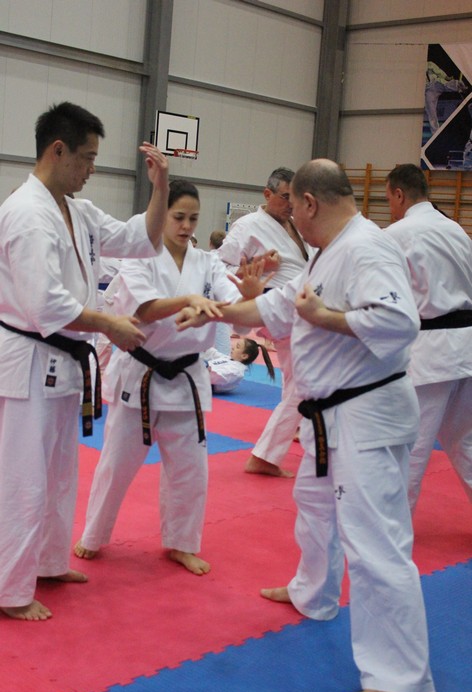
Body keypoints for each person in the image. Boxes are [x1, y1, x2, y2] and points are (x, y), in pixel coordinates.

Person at [177, 159, 436, 692]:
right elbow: (276, 305)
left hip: (367, 414)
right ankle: (314, 593)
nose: (290, 216)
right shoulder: (327, 252)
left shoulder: (367, 248)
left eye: (292, 206)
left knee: (376, 545)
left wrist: (326, 317)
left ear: (310, 203)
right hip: (332, 414)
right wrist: (214, 311)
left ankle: (404, 682)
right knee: (314, 504)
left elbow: (399, 322)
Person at [0, 101, 169, 621]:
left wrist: (160, 187)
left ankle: (49, 563)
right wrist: (109, 324)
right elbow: (44, 304)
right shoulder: (27, 215)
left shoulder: (78, 210)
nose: (93, 168)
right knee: (22, 478)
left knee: (58, 473)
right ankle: (9, 590)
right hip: (29, 361)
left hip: (63, 361)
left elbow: (142, 239)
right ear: (58, 150)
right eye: (88, 157)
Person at [74, 179, 267, 575]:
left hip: (186, 377)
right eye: (178, 217)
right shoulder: (139, 257)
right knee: (116, 465)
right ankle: (93, 535)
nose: (186, 226)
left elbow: (233, 310)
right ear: (161, 215)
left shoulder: (207, 263)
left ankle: (181, 543)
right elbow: (145, 309)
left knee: (190, 469)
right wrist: (192, 300)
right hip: (141, 373)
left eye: (193, 218)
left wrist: (250, 296)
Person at [385, 163, 472, 512]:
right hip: (467, 347)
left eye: (389, 199)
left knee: (411, 443)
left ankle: (390, 527)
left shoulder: (397, 234)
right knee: (465, 441)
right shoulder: (456, 229)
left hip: (433, 353)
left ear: (399, 194)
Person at [218, 166, 315, 477]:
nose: (290, 204)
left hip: (301, 306)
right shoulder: (248, 226)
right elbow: (220, 266)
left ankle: (301, 428)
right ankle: (265, 456)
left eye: (294, 198)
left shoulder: (297, 224)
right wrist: (261, 264)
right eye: (285, 197)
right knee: (304, 380)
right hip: (275, 305)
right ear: (267, 194)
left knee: (296, 376)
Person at [204, 336, 275, 393]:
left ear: (244, 356)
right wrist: (203, 347)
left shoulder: (237, 372)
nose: (233, 347)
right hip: (204, 374)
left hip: (207, 383)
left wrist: (206, 370)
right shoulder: (229, 359)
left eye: (237, 347)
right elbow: (214, 354)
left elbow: (219, 377)